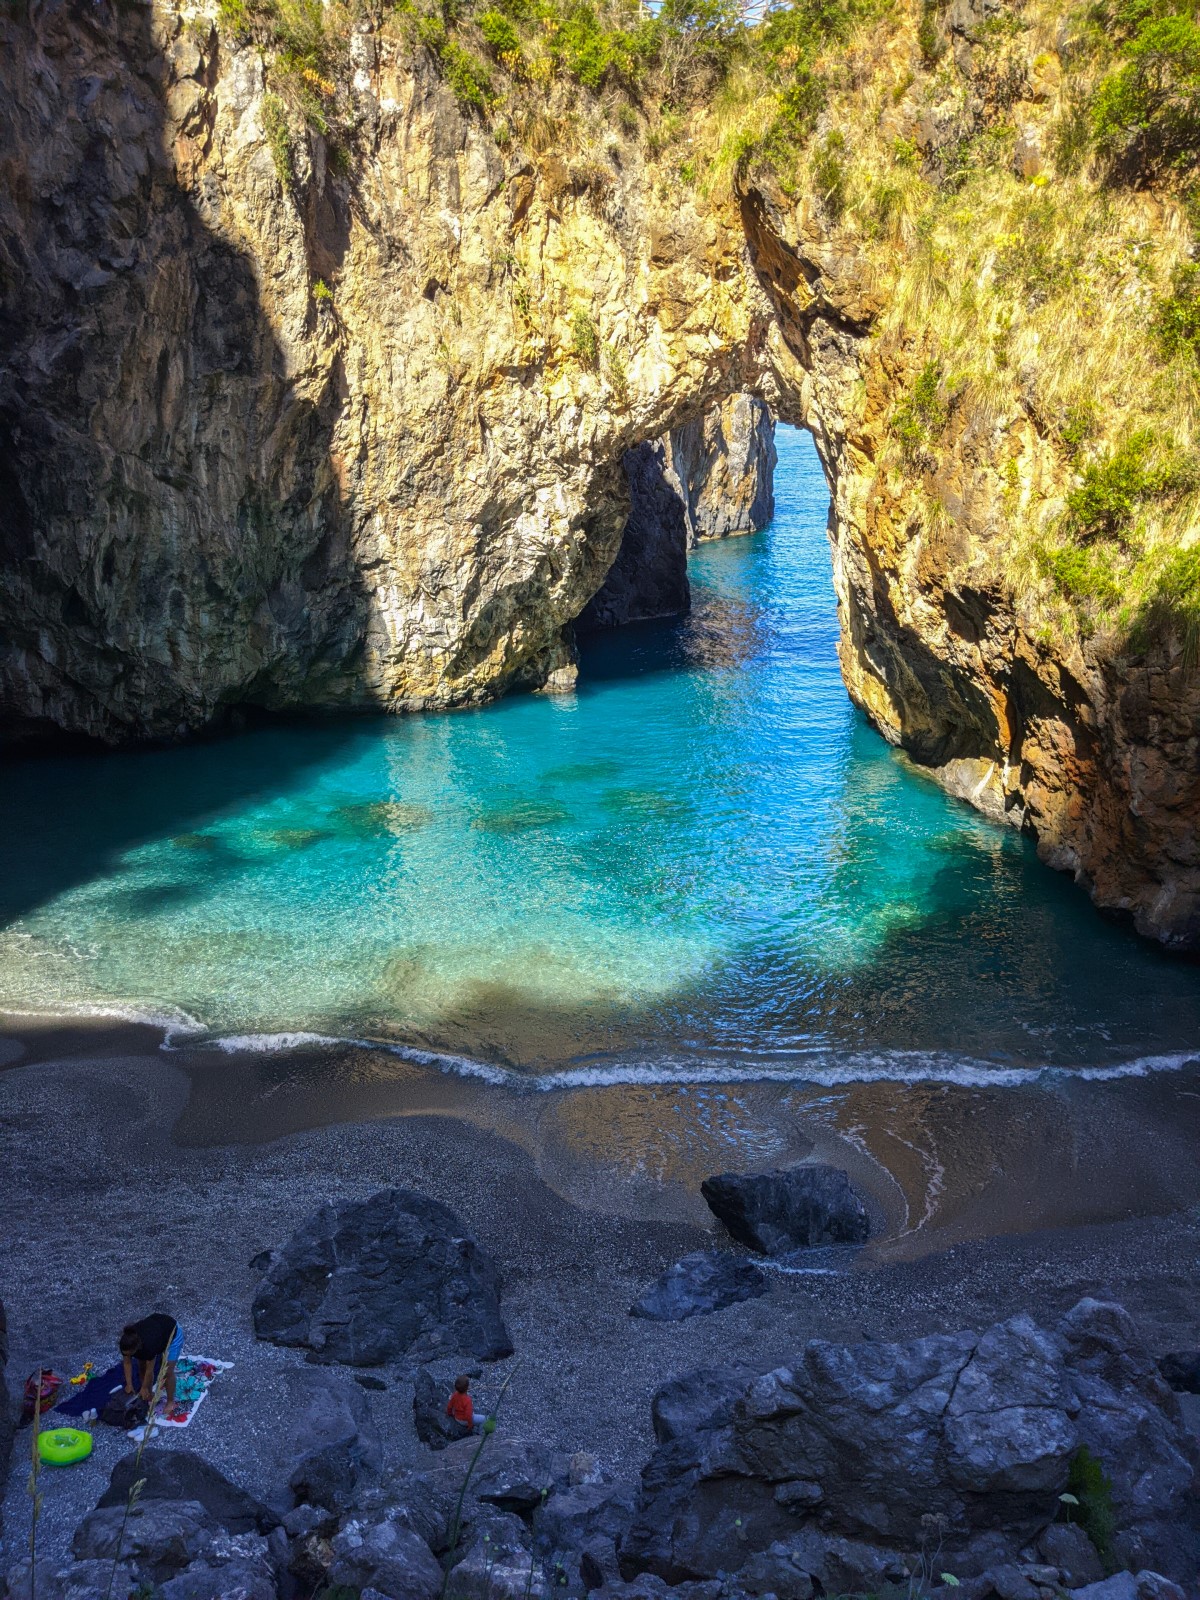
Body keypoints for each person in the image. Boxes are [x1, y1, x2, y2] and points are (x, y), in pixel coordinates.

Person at [119, 1313, 182, 1405]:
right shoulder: (127, 1341)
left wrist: (144, 1387)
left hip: (172, 1331)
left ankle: (170, 1402)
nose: (127, 1356)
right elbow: (127, 1363)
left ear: (136, 1349)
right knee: (142, 1365)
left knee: (168, 1372)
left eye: (129, 1355)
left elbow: (150, 1371)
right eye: (125, 1354)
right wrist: (129, 1384)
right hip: (157, 1327)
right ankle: (149, 1394)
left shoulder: (149, 1347)